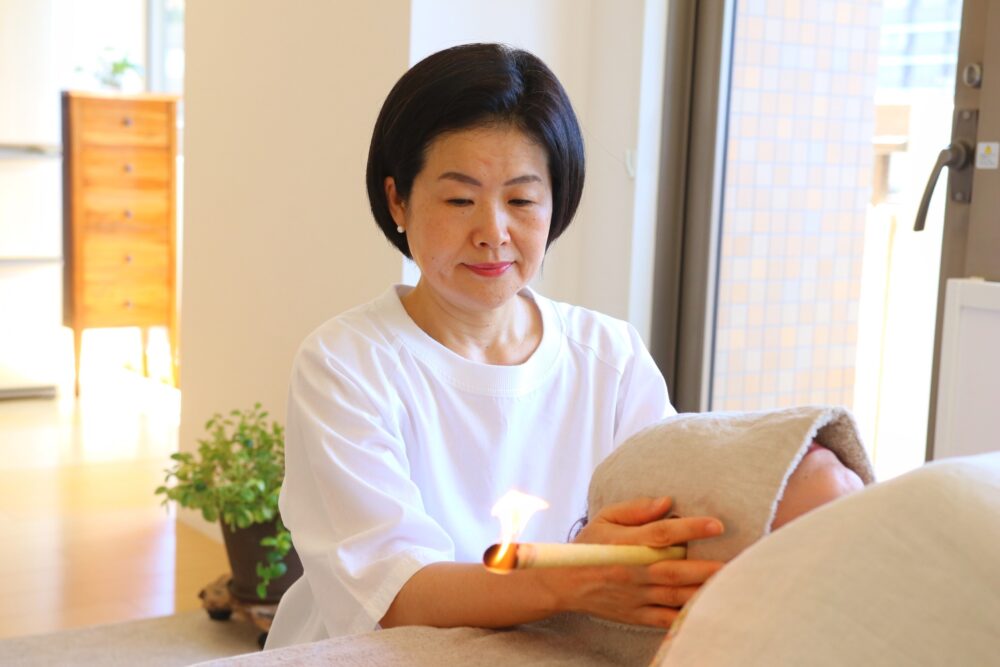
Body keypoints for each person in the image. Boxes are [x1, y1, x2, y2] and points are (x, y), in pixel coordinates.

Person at [264, 43, 725, 650]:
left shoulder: (609, 357)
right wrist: (573, 579)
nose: (493, 233)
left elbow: (669, 522)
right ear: (398, 200)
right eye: (460, 200)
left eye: (521, 200)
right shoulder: (345, 364)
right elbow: (396, 596)